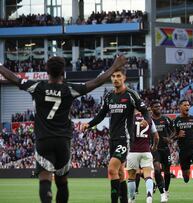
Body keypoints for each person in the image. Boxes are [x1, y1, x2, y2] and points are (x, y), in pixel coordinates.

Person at [0, 56, 127, 203]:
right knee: (62, 183)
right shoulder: (69, 89)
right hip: (63, 142)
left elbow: (13, 78)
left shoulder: (37, 87)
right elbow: (96, 82)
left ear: (47, 71)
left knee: (45, 180)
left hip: (44, 140)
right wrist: (113, 67)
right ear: (63, 72)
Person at [82, 66, 150, 203]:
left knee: (112, 169)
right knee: (119, 173)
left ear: (124, 78)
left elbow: (145, 111)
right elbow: (101, 115)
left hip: (125, 138)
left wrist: (146, 120)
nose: (115, 79)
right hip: (112, 138)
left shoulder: (131, 94)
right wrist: (89, 124)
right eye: (113, 77)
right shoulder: (108, 96)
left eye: (118, 76)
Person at [127, 111, 159, 203]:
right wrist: (154, 146)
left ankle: (132, 198)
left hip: (133, 151)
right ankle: (149, 196)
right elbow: (156, 137)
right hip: (146, 151)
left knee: (131, 177)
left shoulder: (130, 119)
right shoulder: (149, 119)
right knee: (148, 175)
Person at [150, 100, 174, 201]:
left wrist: (170, 138)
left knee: (167, 172)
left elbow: (174, 130)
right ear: (151, 109)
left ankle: (166, 190)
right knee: (156, 169)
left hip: (165, 149)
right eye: (156, 107)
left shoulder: (166, 119)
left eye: (159, 106)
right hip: (155, 149)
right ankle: (162, 192)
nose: (158, 108)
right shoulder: (149, 120)